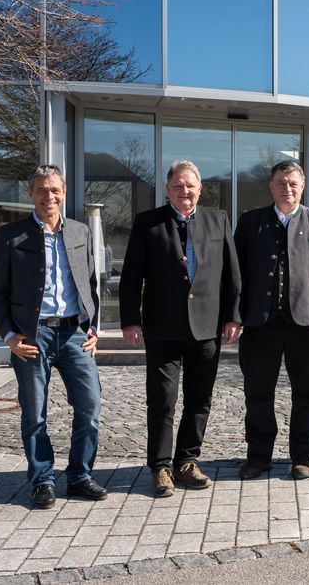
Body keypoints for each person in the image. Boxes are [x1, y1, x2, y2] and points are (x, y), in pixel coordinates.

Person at [119, 160, 242, 498]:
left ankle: (186, 462)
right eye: (178, 186)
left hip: (207, 327)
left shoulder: (218, 221)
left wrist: (233, 315)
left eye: (190, 186)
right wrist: (130, 319)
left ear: (200, 189)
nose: (184, 191)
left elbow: (232, 274)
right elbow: (131, 276)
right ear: (168, 190)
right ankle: (160, 466)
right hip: (163, 328)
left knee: (200, 400)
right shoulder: (149, 223)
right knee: (162, 400)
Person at [0, 164, 104, 509]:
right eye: (42, 190)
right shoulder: (11, 235)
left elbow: (90, 285)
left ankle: (80, 476)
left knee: (90, 406)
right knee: (35, 413)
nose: (48, 196)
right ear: (31, 194)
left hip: (74, 334)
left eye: (54, 190)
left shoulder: (80, 231)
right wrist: (9, 335)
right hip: (32, 337)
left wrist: (94, 326)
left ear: (64, 193)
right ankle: (42, 480)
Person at [234, 161, 309, 482]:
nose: (287, 188)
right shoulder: (251, 222)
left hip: (305, 324)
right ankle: (258, 456)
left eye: (293, 183)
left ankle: (302, 457)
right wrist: (234, 315)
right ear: (271, 186)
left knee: (307, 394)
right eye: (281, 182)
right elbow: (236, 273)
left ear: (303, 186)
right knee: (257, 393)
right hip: (260, 324)